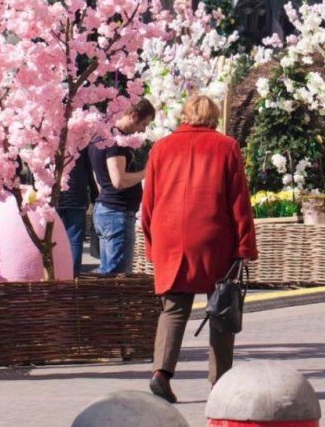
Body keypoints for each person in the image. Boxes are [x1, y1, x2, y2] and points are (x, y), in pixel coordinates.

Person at [141, 95, 258, 403]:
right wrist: (245, 244)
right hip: (213, 236)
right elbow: (239, 202)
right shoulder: (226, 147)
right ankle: (220, 382)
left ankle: (160, 373)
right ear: (213, 117)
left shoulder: (160, 148)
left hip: (170, 237)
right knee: (221, 307)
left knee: (174, 308)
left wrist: (152, 245)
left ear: (185, 114)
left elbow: (148, 203)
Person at [89, 99, 156, 275]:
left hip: (107, 208)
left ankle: (106, 301)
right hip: (116, 213)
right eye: (143, 124)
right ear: (133, 116)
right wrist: (146, 172)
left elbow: (99, 177)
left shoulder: (102, 136)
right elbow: (118, 181)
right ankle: (110, 303)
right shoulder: (115, 143)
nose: (143, 130)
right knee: (117, 275)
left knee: (108, 271)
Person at [56, 147, 98, 276]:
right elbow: (90, 171)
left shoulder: (48, 138)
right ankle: (72, 276)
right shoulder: (82, 143)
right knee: (74, 240)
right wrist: (94, 195)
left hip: (53, 196)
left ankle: (54, 274)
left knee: (53, 239)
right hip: (77, 196)